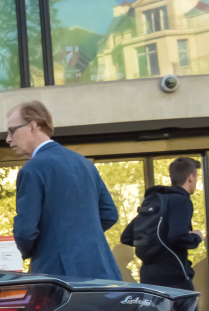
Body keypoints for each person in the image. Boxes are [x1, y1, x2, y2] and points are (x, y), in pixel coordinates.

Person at [7, 101, 122, 280]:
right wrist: (81, 236)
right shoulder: (84, 163)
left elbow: (25, 231)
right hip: (101, 271)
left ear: (32, 126)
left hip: (57, 276)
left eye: (11, 131)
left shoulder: (32, 169)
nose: (8, 139)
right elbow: (109, 214)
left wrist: (42, 247)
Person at [120, 156, 205, 311]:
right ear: (191, 177)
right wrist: (196, 238)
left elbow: (127, 236)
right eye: (196, 178)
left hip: (150, 275)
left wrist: (154, 248)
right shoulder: (182, 201)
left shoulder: (155, 200)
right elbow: (177, 236)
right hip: (176, 277)